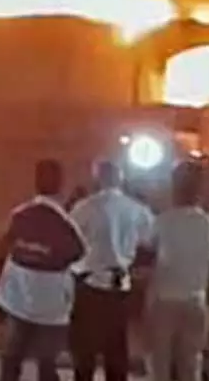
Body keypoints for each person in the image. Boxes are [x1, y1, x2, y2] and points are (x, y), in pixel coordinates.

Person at [0, 159, 87, 381]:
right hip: (51, 304)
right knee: (46, 363)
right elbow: (78, 253)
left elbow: (6, 244)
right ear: (60, 185)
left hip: (18, 299)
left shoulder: (19, 216)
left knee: (11, 358)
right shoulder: (65, 223)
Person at [68, 159, 155, 381]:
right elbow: (150, 244)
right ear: (121, 178)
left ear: (97, 178)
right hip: (120, 286)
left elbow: (71, 240)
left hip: (89, 284)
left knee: (85, 351)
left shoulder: (84, 207)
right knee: (116, 350)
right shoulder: (137, 210)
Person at [147, 161, 209, 381]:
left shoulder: (163, 222)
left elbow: (148, 254)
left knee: (160, 363)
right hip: (196, 299)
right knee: (191, 364)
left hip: (164, 299)